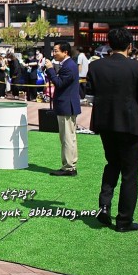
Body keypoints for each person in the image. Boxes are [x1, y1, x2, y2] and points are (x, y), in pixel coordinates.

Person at [87, 28, 138, 232]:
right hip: (130, 125)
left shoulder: (95, 66)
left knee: (112, 163)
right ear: (130, 45)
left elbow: (90, 98)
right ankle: (124, 221)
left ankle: (104, 206)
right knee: (130, 174)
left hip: (105, 124)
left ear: (109, 44)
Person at [44, 41, 81, 176]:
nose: (54, 53)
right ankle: (70, 165)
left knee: (67, 138)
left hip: (66, 106)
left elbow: (59, 83)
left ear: (65, 52)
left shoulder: (69, 66)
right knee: (69, 137)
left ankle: (69, 167)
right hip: (66, 106)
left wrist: (50, 69)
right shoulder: (68, 65)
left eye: (56, 51)